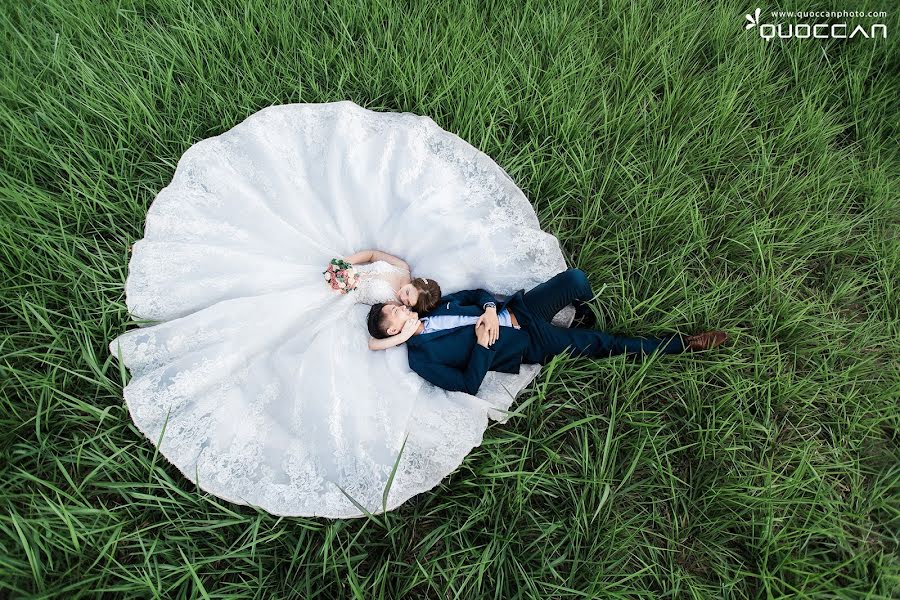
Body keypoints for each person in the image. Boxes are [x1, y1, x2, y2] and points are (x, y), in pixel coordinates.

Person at [367, 268, 728, 394]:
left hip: (519, 309)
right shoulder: (422, 359)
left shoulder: (431, 306)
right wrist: (481, 344)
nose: (401, 308)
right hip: (526, 342)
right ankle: (681, 345)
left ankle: (585, 310)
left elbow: (475, 294)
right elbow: (467, 385)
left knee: (575, 280)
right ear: (393, 332)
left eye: (397, 305)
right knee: (600, 345)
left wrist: (491, 309)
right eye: (395, 315)